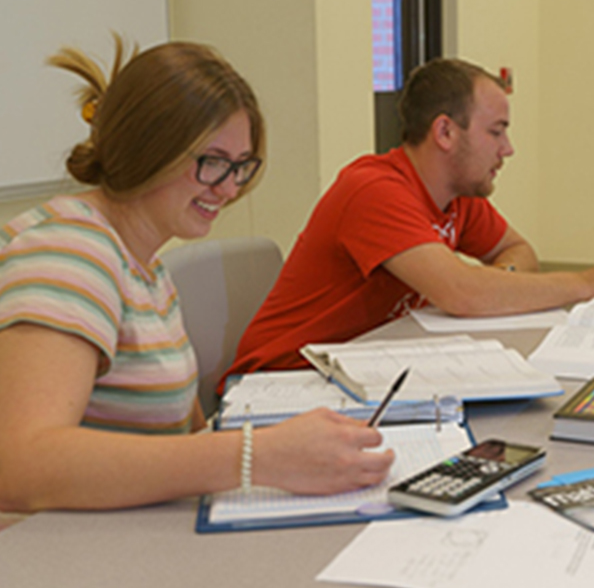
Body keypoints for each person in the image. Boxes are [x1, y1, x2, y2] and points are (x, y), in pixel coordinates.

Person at [0, 37, 393, 512]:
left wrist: (279, 448)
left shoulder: (143, 264)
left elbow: (179, 429)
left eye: (240, 167)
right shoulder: (70, 253)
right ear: (148, 148)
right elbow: (20, 464)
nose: (228, 188)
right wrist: (256, 456)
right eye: (212, 163)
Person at [227, 58, 594, 378]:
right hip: (284, 384)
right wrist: (587, 283)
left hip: (360, 368)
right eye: (496, 131)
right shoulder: (374, 189)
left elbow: (517, 251)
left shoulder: (458, 194)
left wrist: (497, 286)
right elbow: (462, 294)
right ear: (446, 133)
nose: (508, 149)